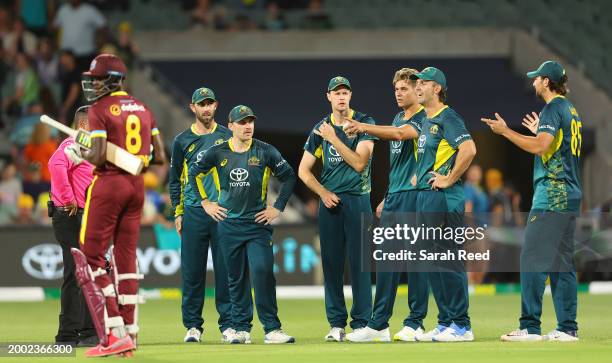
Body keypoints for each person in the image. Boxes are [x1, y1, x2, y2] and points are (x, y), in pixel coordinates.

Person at [71, 53, 167, 357]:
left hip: (109, 183)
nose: (94, 84)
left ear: (112, 80)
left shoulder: (99, 109)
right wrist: (132, 158)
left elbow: (98, 156)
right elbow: (160, 157)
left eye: (98, 79)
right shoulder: (144, 108)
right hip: (136, 186)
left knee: (90, 255)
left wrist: (82, 150)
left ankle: (113, 332)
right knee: (126, 259)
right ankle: (131, 336)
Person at [482, 60, 582, 342]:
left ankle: (529, 326)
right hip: (571, 193)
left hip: (552, 193)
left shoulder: (552, 108)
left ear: (547, 82)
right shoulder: (570, 110)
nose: (534, 82)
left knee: (532, 258)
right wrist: (541, 131)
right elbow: (553, 147)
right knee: (562, 263)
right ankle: (567, 327)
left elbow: (541, 146)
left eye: (537, 78)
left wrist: (506, 132)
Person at [188, 105, 296, 344]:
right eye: (242, 122)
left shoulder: (265, 151)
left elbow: (289, 176)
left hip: (257, 224)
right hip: (229, 225)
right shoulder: (217, 152)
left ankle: (272, 329)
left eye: (251, 121)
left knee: (262, 271)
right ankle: (241, 329)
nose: (248, 126)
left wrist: (277, 207)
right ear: (231, 126)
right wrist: (205, 203)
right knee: (235, 278)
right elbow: (193, 172)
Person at [342, 68, 430, 342]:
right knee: (387, 261)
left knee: (415, 261)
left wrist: (364, 127)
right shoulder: (396, 117)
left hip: (416, 197)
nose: (399, 94)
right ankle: (379, 324)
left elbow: (401, 135)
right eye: (396, 89)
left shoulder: (424, 118)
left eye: (404, 89)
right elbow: (399, 163)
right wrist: (387, 195)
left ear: (418, 90)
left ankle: (415, 322)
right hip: (396, 197)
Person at [298, 76, 376, 342]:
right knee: (331, 265)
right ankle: (336, 324)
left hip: (358, 200)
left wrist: (334, 138)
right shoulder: (320, 129)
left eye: (345, 92)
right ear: (328, 96)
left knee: (360, 265)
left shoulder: (363, 123)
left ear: (350, 96)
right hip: (330, 203)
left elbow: (359, 164)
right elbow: (303, 171)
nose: (341, 97)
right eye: (336, 93)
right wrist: (322, 192)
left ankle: (362, 324)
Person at [411, 66, 477, 342]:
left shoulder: (448, 117)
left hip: (445, 199)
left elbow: (469, 149)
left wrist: (449, 179)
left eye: (423, 84)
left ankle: (462, 325)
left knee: (448, 260)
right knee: (432, 261)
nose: (417, 88)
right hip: (428, 197)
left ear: (437, 88)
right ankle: (445, 321)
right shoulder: (426, 120)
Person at [169, 87, 233, 343]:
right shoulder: (182, 141)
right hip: (194, 212)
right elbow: (174, 180)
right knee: (192, 274)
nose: (206, 109)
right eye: (201, 104)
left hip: (224, 213)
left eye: (209, 104)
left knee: (226, 272)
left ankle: (228, 325)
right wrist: (178, 211)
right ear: (192, 108)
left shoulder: (228, 136)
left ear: (216, 106)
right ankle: (193, 327)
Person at [48, 105, 97, 347]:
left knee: (84, 273)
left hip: (81, 215)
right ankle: (73, 333)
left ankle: (81, 332)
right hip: (71, 215)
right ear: (83, 126)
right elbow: (55, 165)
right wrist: (69, 200)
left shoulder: (87, 148)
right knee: (77, 273)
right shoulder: (72, 145)